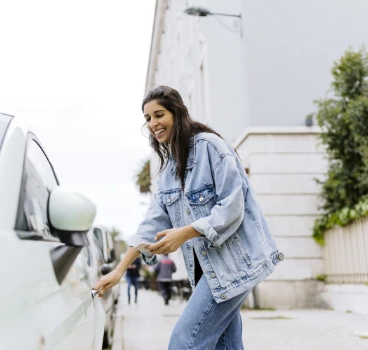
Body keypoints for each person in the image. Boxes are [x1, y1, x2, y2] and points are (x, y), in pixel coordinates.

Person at [94, 86, 284, 349]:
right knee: (225, 346)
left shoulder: (212, 147)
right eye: (147, 118)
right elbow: (151, 224)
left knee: (184, 343)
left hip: (234, 265)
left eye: (158, 115)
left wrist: (185, 232)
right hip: (208, 272)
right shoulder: (168, 172)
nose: (152, 124)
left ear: (177, 113)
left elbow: (232, 206)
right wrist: (119, 269)